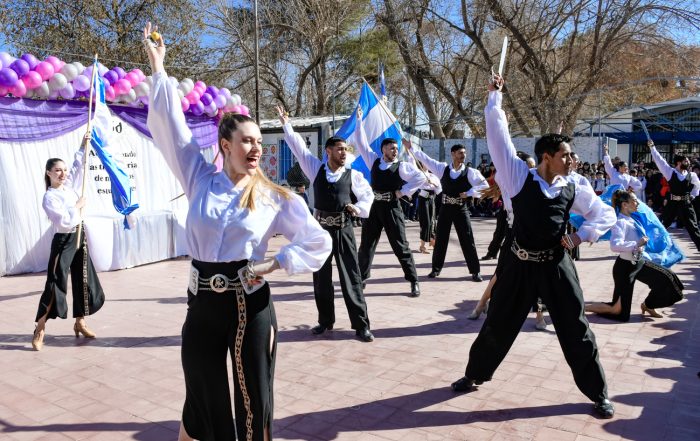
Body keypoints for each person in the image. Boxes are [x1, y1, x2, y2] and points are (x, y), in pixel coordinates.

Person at [143, 24, 332, 441]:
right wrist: (159, 68)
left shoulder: (274, 197)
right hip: (202, 305)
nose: (256, 148)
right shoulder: (198, 177)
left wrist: (276, 262)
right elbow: (172, 130)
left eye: (259, 142)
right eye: (247, 140)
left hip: (250, 303)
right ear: (225, 145)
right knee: (202, 391)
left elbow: (320, 241)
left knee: (252, 400)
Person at [452, 74, 617, 419]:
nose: (572, 161)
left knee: (575, 327)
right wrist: (494, 97)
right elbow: (499, 137)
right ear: (546, 157)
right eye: (565, 155)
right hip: (518, 264)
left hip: (557, 265)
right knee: (498, 323)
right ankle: (474, 375)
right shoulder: (516, 176)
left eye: (571, 156)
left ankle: (598, 392)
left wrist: (580, 236)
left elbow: (605, 214)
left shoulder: (574, 186)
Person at [276, 105, 376, 342]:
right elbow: (299, 149)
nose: (344, 153)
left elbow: (367, 196)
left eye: (346, 149)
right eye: (340, 149)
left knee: (350, 277)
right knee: (321, 278)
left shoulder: (353, 175)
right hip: (319, 231)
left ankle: (361, 325)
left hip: (344, 230)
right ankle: (325, 321)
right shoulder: (315, 168)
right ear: (328, 151)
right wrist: (285, 124)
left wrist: (358, 208)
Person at [32, 137, 106, 351]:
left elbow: (77, 166)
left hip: (79, 236)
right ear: (48, 173)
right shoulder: (50, 197)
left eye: (63, 170)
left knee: (83, 280)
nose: (62, 174)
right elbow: (63, 220)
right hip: (64, 240)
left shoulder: (69, 186)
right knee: (55, 283)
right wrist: (77, 206)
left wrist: (84, 146)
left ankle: (80, 322)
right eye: (57, 170)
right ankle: (40, 328)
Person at [353, 108, 428, 297]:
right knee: (367, 245)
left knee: (400, 245)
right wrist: (359, 121)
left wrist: (402, 192)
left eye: (396, 148)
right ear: (383, 149)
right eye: (391, 148)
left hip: (392, 209)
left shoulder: (402, 166)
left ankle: (413, 281)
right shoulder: (374, 161)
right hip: (374, 209)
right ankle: (362, 278)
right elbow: (361, 143)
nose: (395, 151)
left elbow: (420, 178)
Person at [585, 190, 683, 322]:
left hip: (639, 263)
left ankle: (648, 305)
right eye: (634, 201)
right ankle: (580, 308)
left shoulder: (633, 217)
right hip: (625, 268)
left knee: (668, 280)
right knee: (619, 312)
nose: (638, 203)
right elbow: (615, 245)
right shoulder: (620, 222)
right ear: (625, 205)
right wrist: (636, 244)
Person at [409, 143, 489, 281]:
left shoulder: (470, 172)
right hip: (445, 209)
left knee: (467, 239)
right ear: (452, 154)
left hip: (460, 209)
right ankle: (435, 269)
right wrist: (410, 148)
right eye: (460, 153)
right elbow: (425, 158)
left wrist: (470, 193)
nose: (463, 155)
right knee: (440, 240)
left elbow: (485, 187)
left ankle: (475, 271)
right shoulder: (442, 169)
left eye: (464, 153)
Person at [648, 140, 700, 251]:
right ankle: (650, 247)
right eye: (686, 161)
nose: (689, 162)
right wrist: (652, 147)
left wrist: (692, 196)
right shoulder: (670, 172)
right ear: (679, 163)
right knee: (662, 225)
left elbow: (697, 187)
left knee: (694, 228)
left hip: (686, 204)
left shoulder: (692, 175)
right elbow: (659, 160)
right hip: (672, 204)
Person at [416, 166, 441, 253]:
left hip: (432, 198)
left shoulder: (433, 176)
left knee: (433, 220)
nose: (425, 165)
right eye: (423, 163)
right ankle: (422, 246)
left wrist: (434, 184)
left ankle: (432, 240)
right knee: (425, 222)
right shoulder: (419, 174)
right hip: (423, 198)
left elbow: (438, 190)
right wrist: (425, 180)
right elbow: (416, 184)